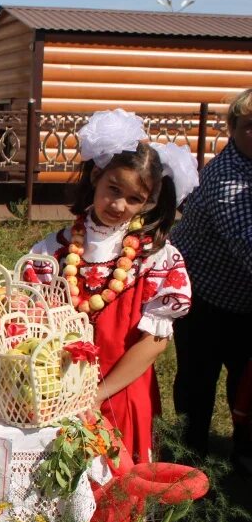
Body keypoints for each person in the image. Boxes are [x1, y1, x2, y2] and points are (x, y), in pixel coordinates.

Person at [29, 109, 196, 464]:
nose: (119, 205)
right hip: (59, 392)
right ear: (96, 176)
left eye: (135, 199)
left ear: (150, 201)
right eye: (113, 189)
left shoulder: (156, 259)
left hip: (122, 392)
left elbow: (153, 343)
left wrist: (99, 395)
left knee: (120, 492)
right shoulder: (52, 251)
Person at [171, 88, 252, 468]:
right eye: (251, 126)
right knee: (197, 381)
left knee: (245, 379)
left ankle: (243, 451)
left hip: (243, 301)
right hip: (203, 295)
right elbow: (248, 242)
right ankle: (189, 456)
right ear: (233, 128)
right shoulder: (227, 178)